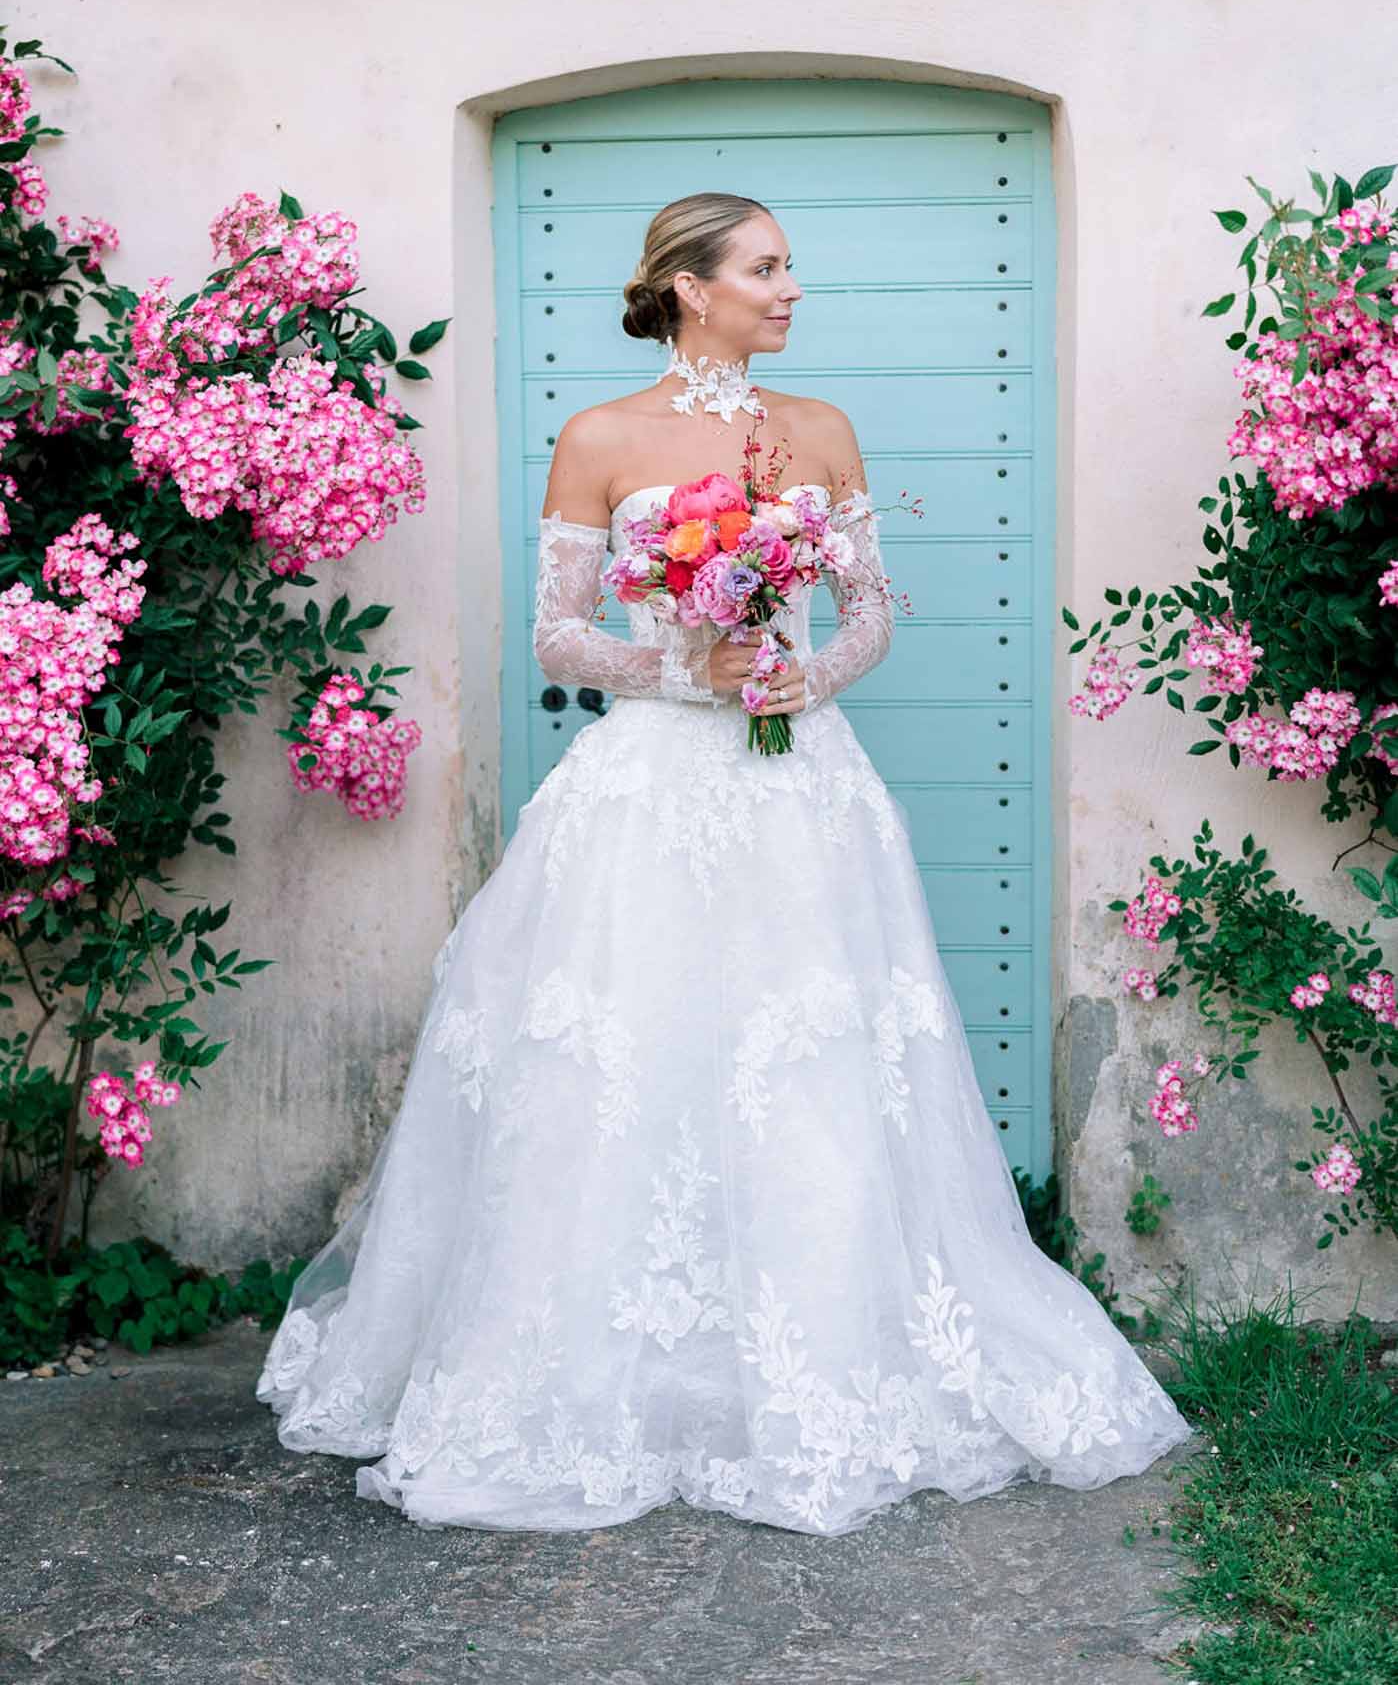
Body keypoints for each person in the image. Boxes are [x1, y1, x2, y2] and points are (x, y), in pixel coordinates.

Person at [255, 192, 1195, 1536]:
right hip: (646, 788)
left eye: (789, 266)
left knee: (801, 1060)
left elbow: (869, 611)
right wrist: (687, 673)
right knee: (625, 1055)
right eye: (766, 267)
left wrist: (808, 673)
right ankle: (607, 1370)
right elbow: (559, 636)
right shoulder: (599, 438)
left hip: (801, 785)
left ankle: (818, 1362)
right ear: (691, 288)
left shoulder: (818, 432)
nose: (791, 287)